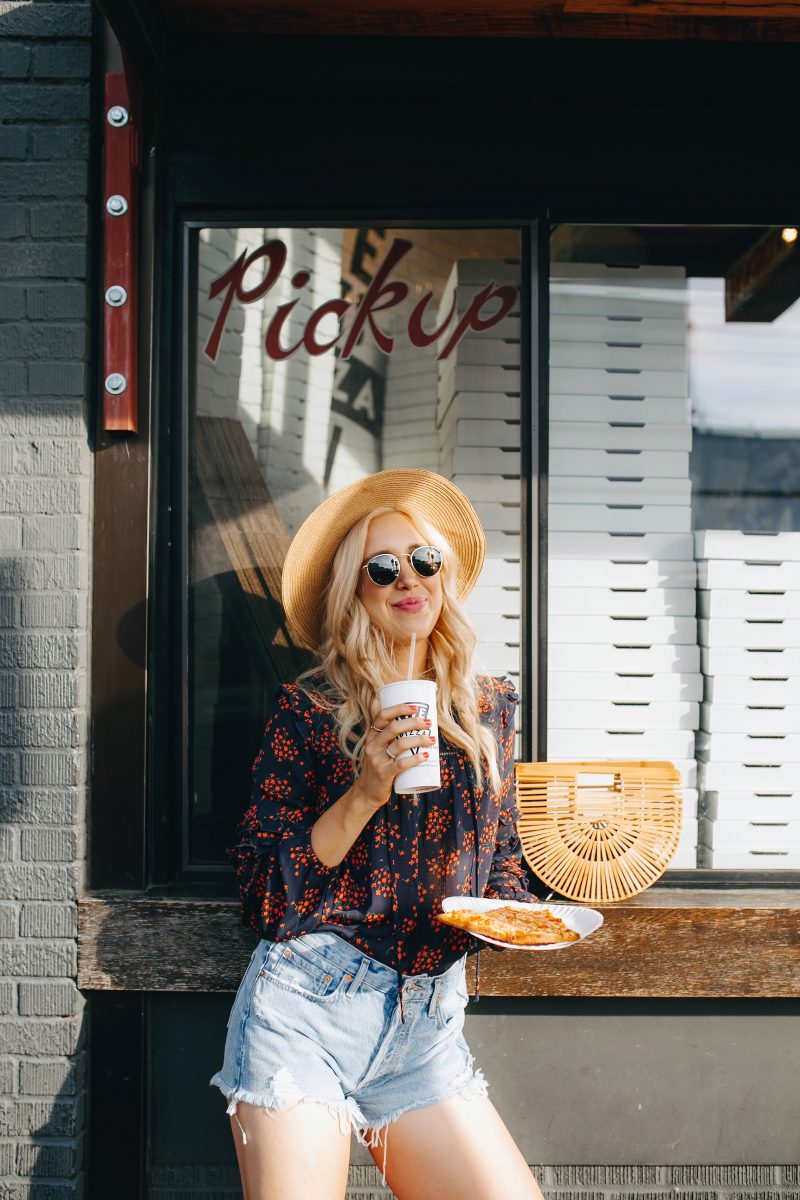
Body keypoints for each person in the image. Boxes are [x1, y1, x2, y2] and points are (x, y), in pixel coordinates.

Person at [211, 468, 545, 1200]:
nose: (408, 580)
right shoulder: (309, 712)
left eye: (424, 561)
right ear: (356, 590)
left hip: (425, 1027)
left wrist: (519, 918)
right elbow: (265, 898)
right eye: (383, 568)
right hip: (307, 1012)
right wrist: (364, 791)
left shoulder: (489, 709)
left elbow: (505, 869)